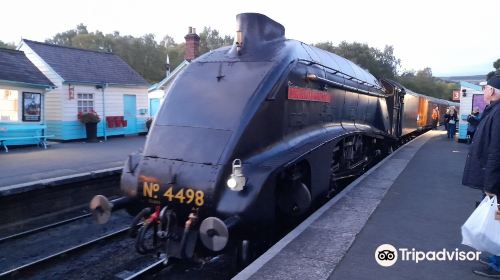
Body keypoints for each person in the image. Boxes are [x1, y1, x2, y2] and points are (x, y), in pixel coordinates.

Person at [462, 75, 500, 278]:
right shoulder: (494, 111)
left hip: (496, 181)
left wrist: (491, 184)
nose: (484, 92)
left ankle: (497, 264)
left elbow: (496, 151)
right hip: (492, 177)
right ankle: (495, 256)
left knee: (498, 221)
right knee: (497, 220)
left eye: (486, 89)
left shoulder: (498, 113)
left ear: (492, 91)